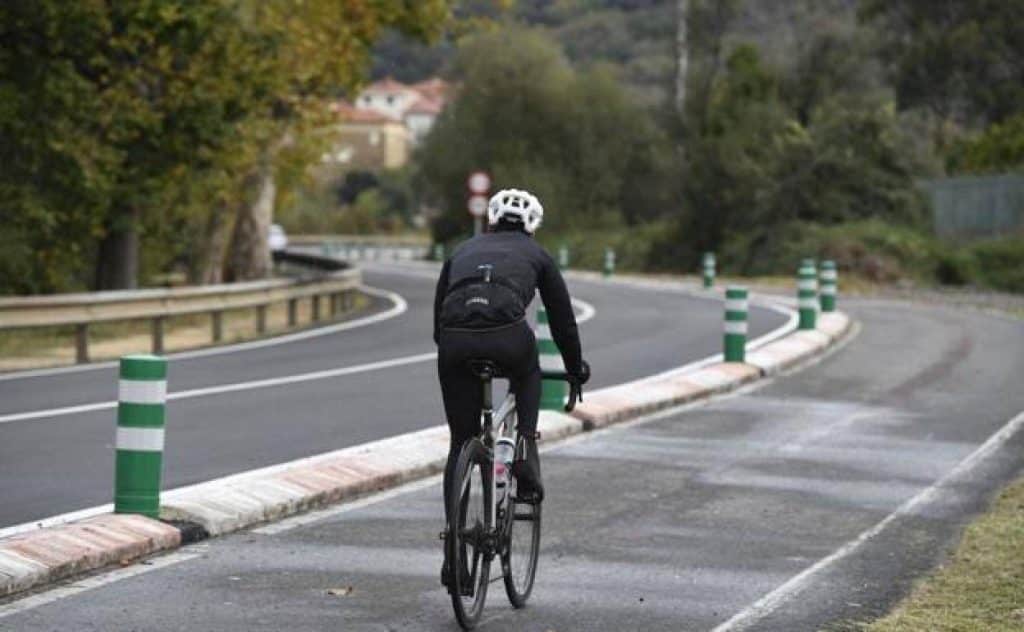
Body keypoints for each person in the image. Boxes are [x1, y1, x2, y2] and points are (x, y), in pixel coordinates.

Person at [434, 188, 589, 590]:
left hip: (455, 342)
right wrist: (575, 369)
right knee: (529, 370)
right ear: (532, 227)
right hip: (507, 338)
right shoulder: (538, 256)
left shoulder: (462, 249)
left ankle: (454, 550)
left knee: (460, 442)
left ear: (491, 221)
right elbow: (562, 320)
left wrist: (457, 350)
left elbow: (439, 319)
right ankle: (525, 449)